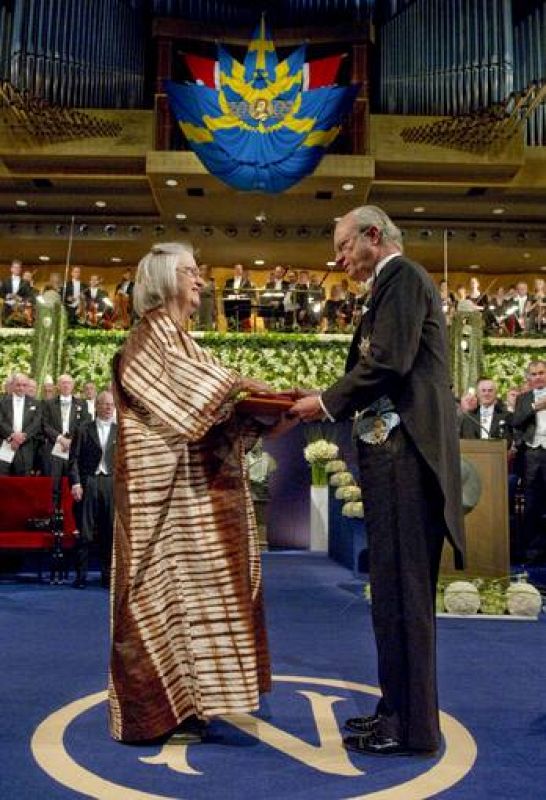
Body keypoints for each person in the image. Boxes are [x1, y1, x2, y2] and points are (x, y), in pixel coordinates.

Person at [290, 205, 465, 757]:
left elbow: (388, 363)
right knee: (389, 595)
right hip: (391, 461)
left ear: (373, 235)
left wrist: (324, 402)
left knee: (404, 595)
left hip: (407, 460)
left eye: (344, 247)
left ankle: (413, 729)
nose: (339, 259)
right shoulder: (388, 286)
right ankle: (396, 711)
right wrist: (328, 397)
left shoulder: (403, 277)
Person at [108, 242, 289, 744]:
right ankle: (153, 716)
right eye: (189, 271)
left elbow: (213, 412)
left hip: (192, 500)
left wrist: (261, 415)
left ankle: (190, 706)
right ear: (164, 279)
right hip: (158, 503)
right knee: (159, 604)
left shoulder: (184, 341)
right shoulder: (148, 340)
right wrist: (246, 388)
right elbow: (197, 403)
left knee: (197, 602)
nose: (200, 281)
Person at [69, 391, 117, 588]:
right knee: (85, 532)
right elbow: (73, 459)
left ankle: (107, 576)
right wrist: (76, 483)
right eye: (105, 404)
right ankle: (81, 576)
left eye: (111, 404)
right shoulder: (83, 429)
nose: (108, 407)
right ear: (96, 406)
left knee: (109, 531)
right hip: (89, 482)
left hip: (110, 483)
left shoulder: (119, 430)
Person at [512, 360, 546, 563]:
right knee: (532, 503)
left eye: (541, 373)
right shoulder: (524, 398)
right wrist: (535, 407)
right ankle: (533, 551)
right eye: (534, 374)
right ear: (529, 378)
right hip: (532, 454)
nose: (538, 377)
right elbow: (516, 421)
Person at [0, 374, 42, 476]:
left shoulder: (36, 404)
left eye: (24, 385)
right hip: (5, 444)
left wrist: (21, 437)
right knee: (2, 477)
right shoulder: (2, 402)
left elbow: (36, 424)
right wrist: (12, 436)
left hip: (25, 447)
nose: (21, 388)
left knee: (23, 480)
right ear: (13, 385)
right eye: (18, 385)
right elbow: (1, 421)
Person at [459, 377, 512, 444]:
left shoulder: (507, 416)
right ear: (477, 394)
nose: (486, 394)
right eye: (483, 390)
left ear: (495, 393)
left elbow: (509, 441)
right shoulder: (468, 417)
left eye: (490, 390)